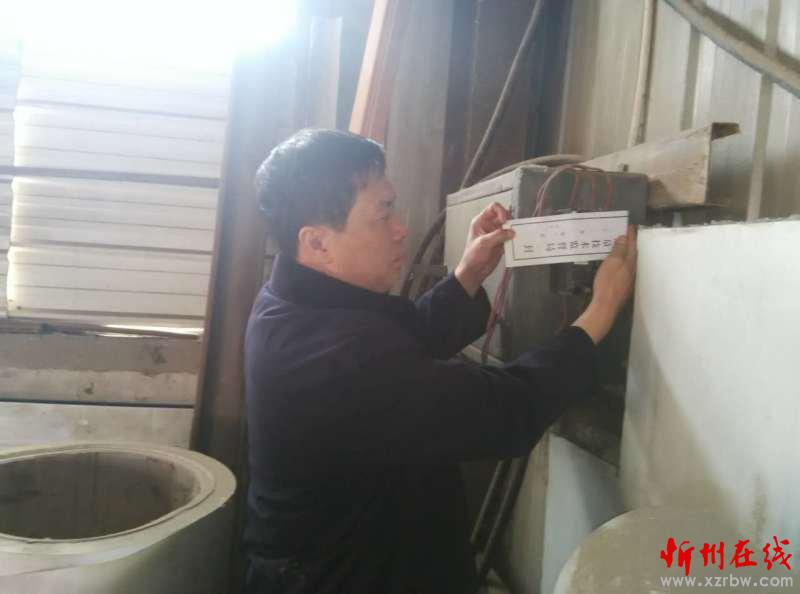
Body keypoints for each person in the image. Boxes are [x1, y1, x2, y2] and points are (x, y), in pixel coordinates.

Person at [243, 128, 636, 594]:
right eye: (382, 214)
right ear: (318, 244)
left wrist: (468, 273)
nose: (400, 228)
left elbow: (397, 347)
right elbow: (503, 411)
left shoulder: (292, 301)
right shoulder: (333, 357)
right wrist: (600, 312)